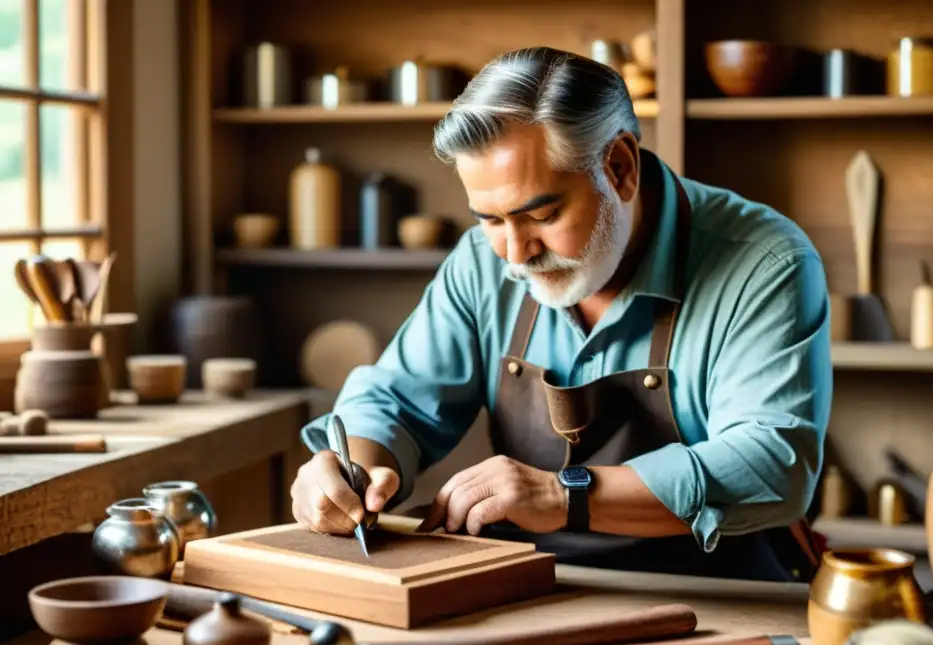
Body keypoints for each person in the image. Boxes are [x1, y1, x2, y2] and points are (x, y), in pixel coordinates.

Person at [291, 47, 832, 583]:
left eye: (543, 215)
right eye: (489, 219)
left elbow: (774, 464)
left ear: (619, 168)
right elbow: (396, 400)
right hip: (536, 578)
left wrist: (561, 492)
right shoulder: (484, 261)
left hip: (712, 590)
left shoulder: (765, 262)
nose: (515, 252)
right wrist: (350, 471)